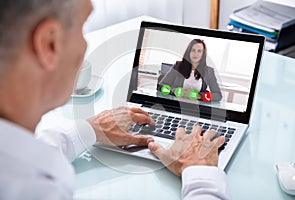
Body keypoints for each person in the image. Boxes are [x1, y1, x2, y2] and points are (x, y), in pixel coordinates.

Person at [0, 0, 229, 199]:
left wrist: (86, 130)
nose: (85, 44)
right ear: (50, 44)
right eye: (82, 26)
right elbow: (163, 87)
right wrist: (201, 174)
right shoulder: (36, 189)